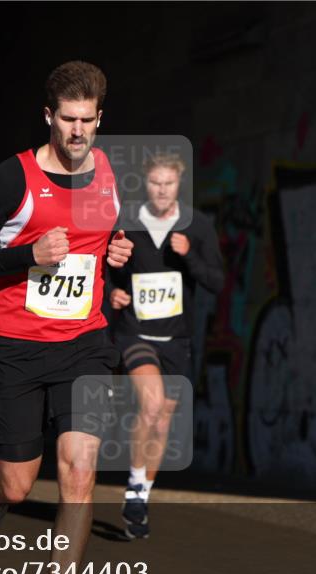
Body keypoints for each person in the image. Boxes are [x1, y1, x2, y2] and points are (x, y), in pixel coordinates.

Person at [0, 61, 133, 574]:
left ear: (100, 118)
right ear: (48, 116)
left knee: (80, 469)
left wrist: (120, 252)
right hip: (14, 349)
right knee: (17, 481)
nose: (78, 131)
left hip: (84, 344)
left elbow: (108, 241)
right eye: (68, 120)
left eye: (88, 120)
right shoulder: (13, 178)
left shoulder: (110, 173)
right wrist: (29, 253)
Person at [108, 152, 224, 539]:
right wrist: (112, 294)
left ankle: (140, 496)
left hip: (177, 339)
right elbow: (105, 268)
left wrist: (189, 256)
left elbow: (217, 281)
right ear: (146, 183)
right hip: (135, 332)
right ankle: (135, 486)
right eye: (155, 183)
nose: (161, 190)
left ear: (179, 184)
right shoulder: (127, 223)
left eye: (168, 184)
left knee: (162, 422)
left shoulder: (197, 226)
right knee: (152, 405)